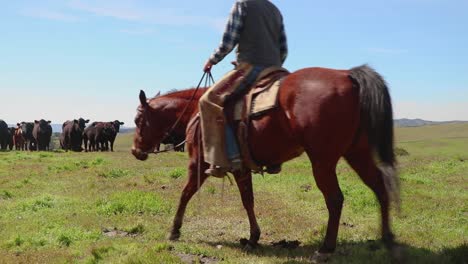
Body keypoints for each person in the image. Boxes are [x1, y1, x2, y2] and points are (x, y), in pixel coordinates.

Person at [199, 0, 288, 177]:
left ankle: (225, 160)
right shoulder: (275, 10)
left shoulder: (242, 4)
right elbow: (283, 50)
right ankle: (274, 158)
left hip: (251, 67)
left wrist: (211, 60)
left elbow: (228, 42)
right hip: (276, 69)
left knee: (207, 101)